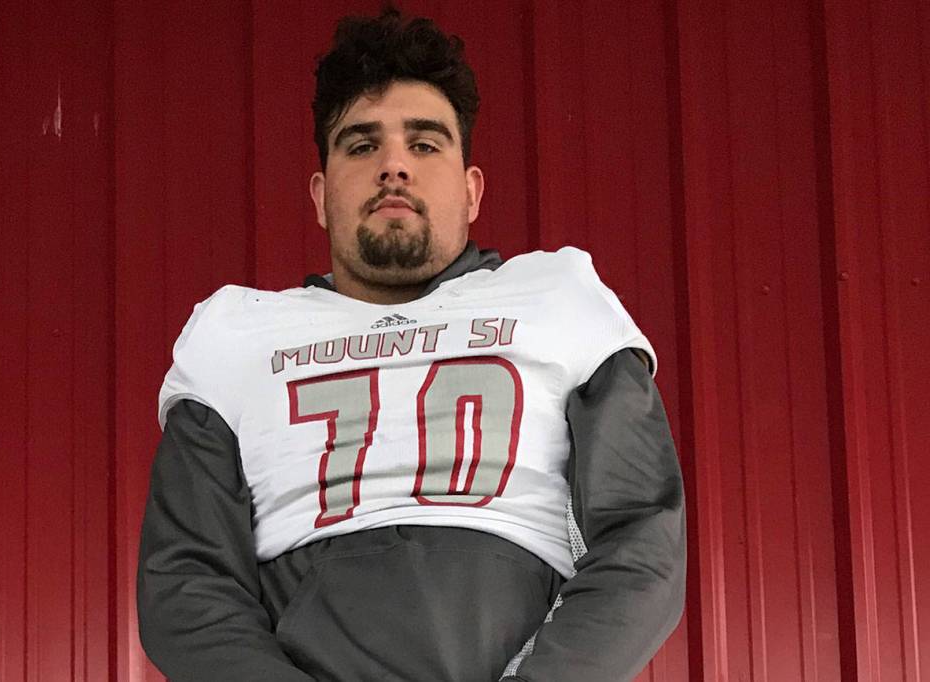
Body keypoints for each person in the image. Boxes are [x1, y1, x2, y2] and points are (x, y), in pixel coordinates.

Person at [137, 7, 685, 682]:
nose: (393, 165)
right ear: (319, 193)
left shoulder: (561, 298)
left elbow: (639, 540)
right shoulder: (234, 334)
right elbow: (186, 581)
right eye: (361, 146)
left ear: (471, 188)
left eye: (425, 145)